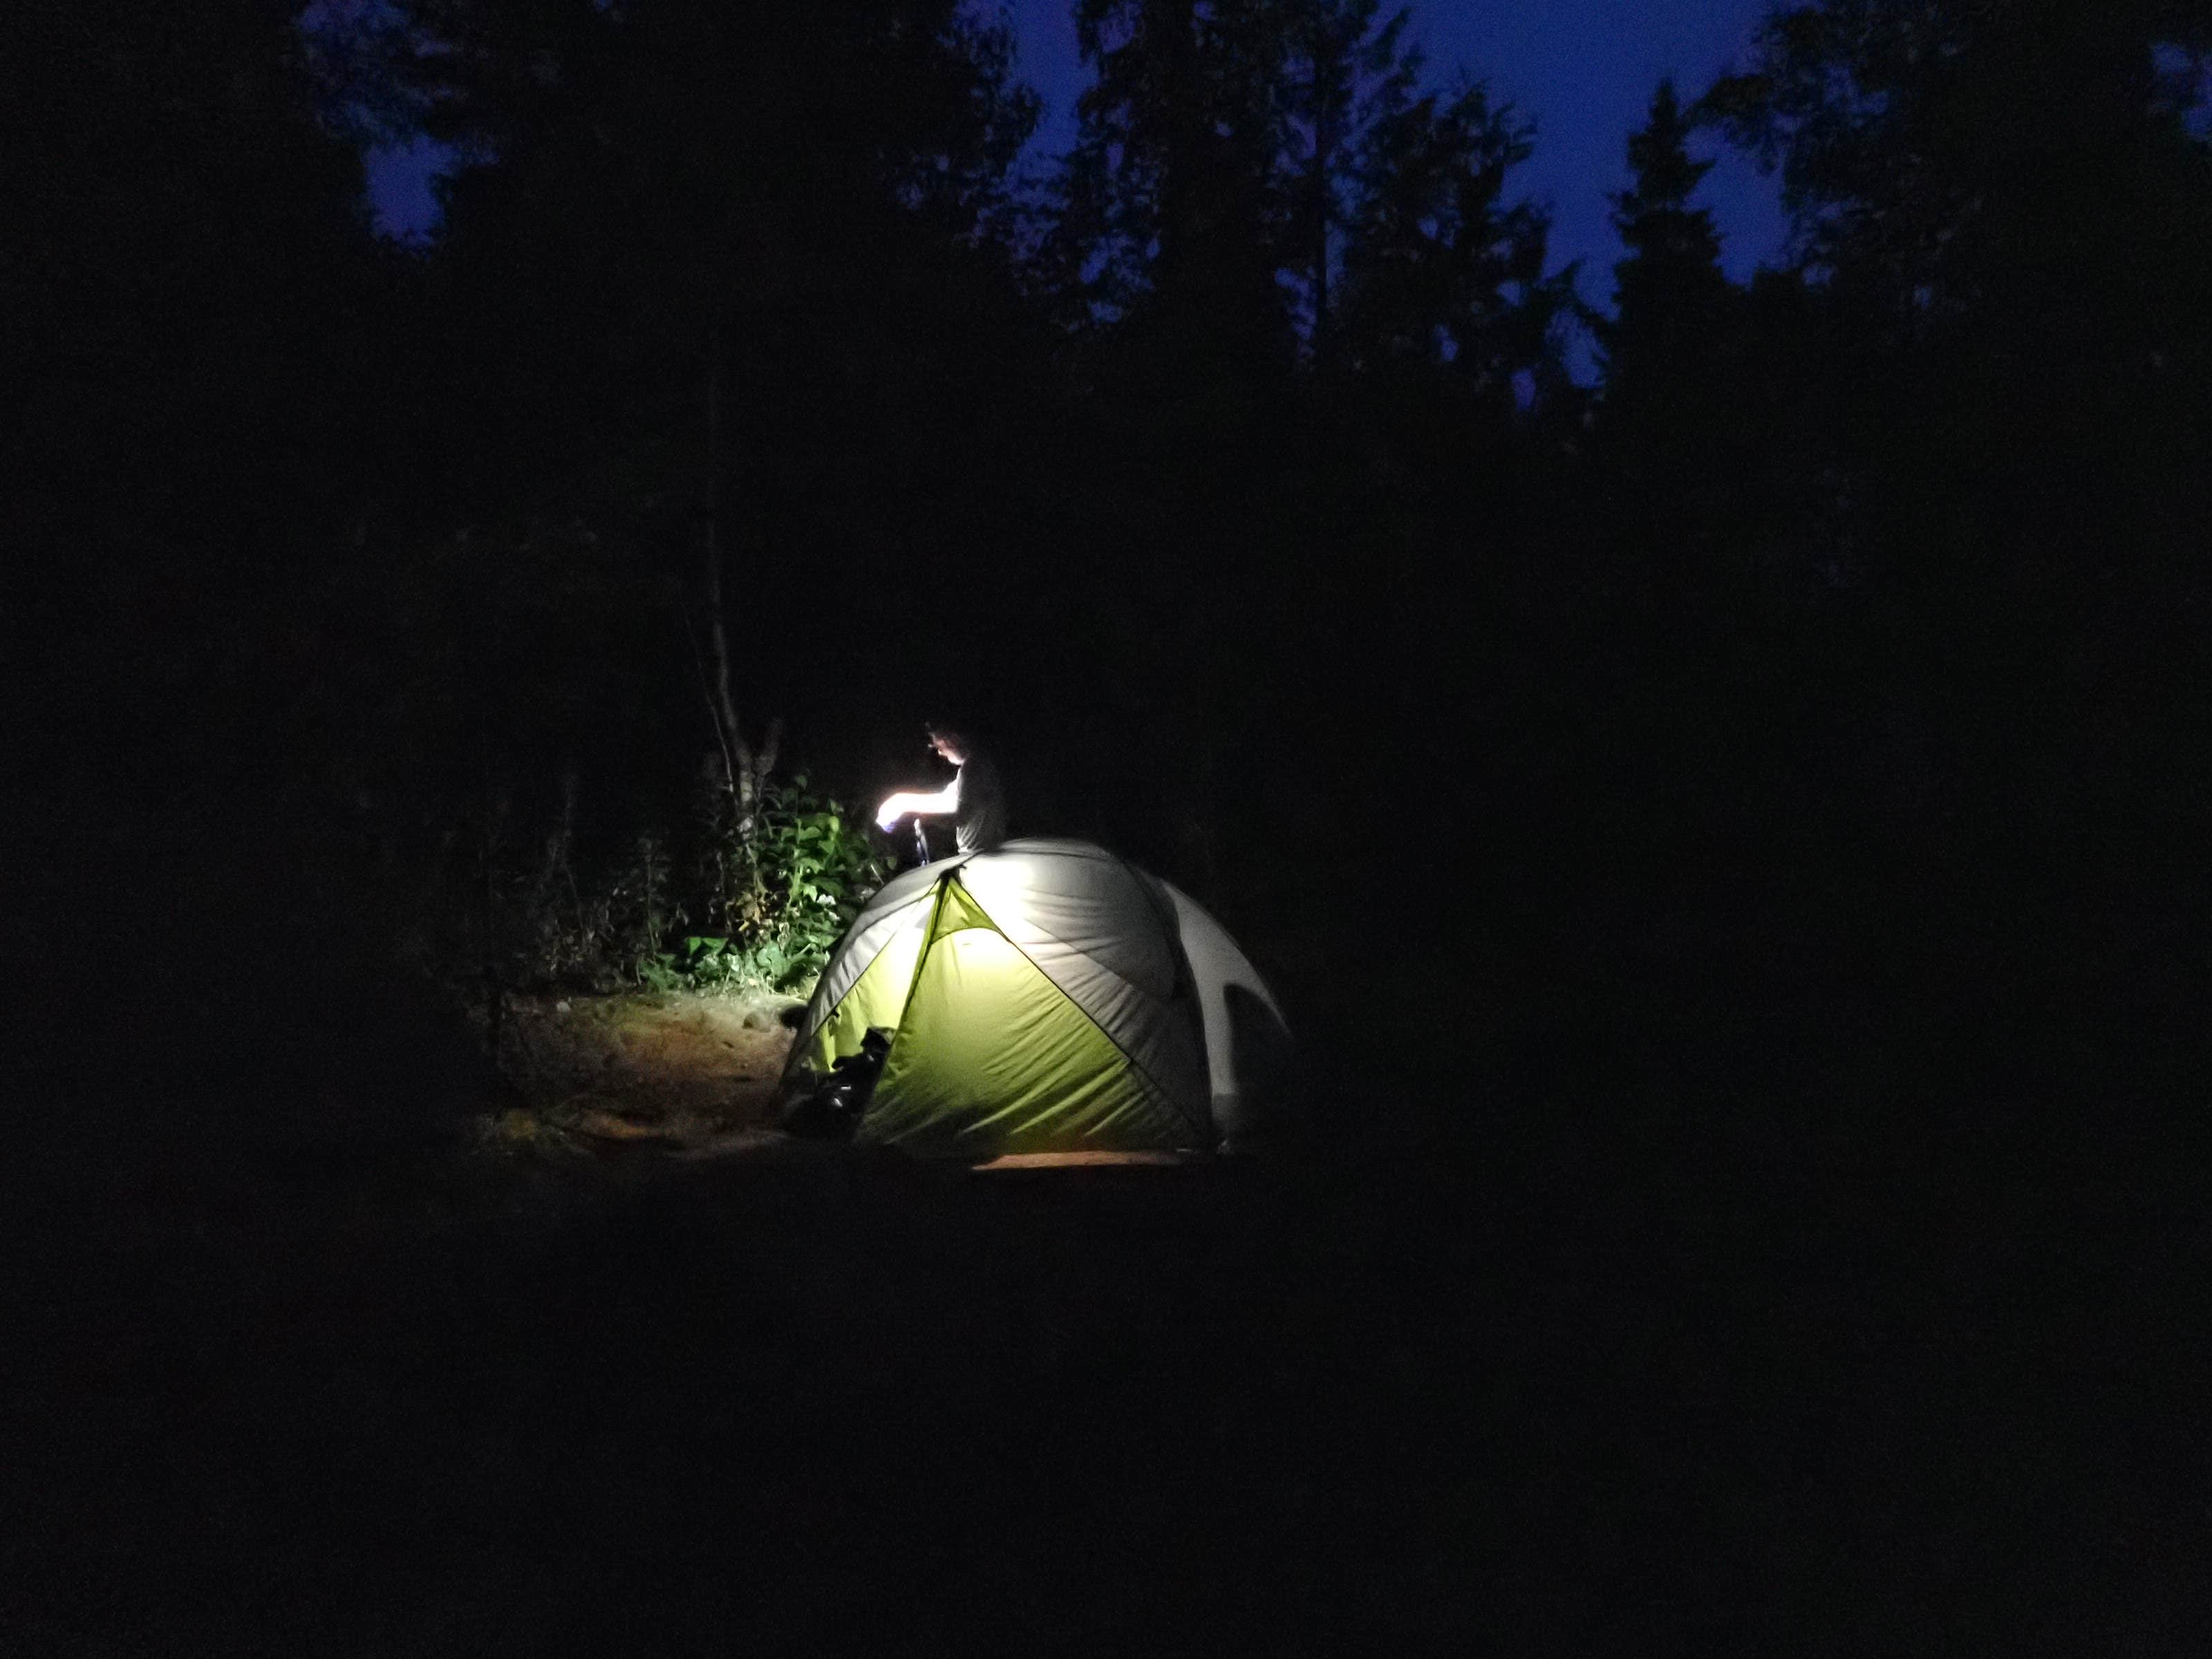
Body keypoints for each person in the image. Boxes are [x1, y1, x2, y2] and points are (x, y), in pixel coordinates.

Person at [874, 723, 1006, 856]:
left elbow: (959, 817)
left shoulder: (972, 769)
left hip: (981, 855)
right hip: (984, 852)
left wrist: (923, 816)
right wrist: (902, 800)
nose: (940, 752)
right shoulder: (977, 764)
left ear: (952, 740)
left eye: (939, 746)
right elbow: (947, 798)